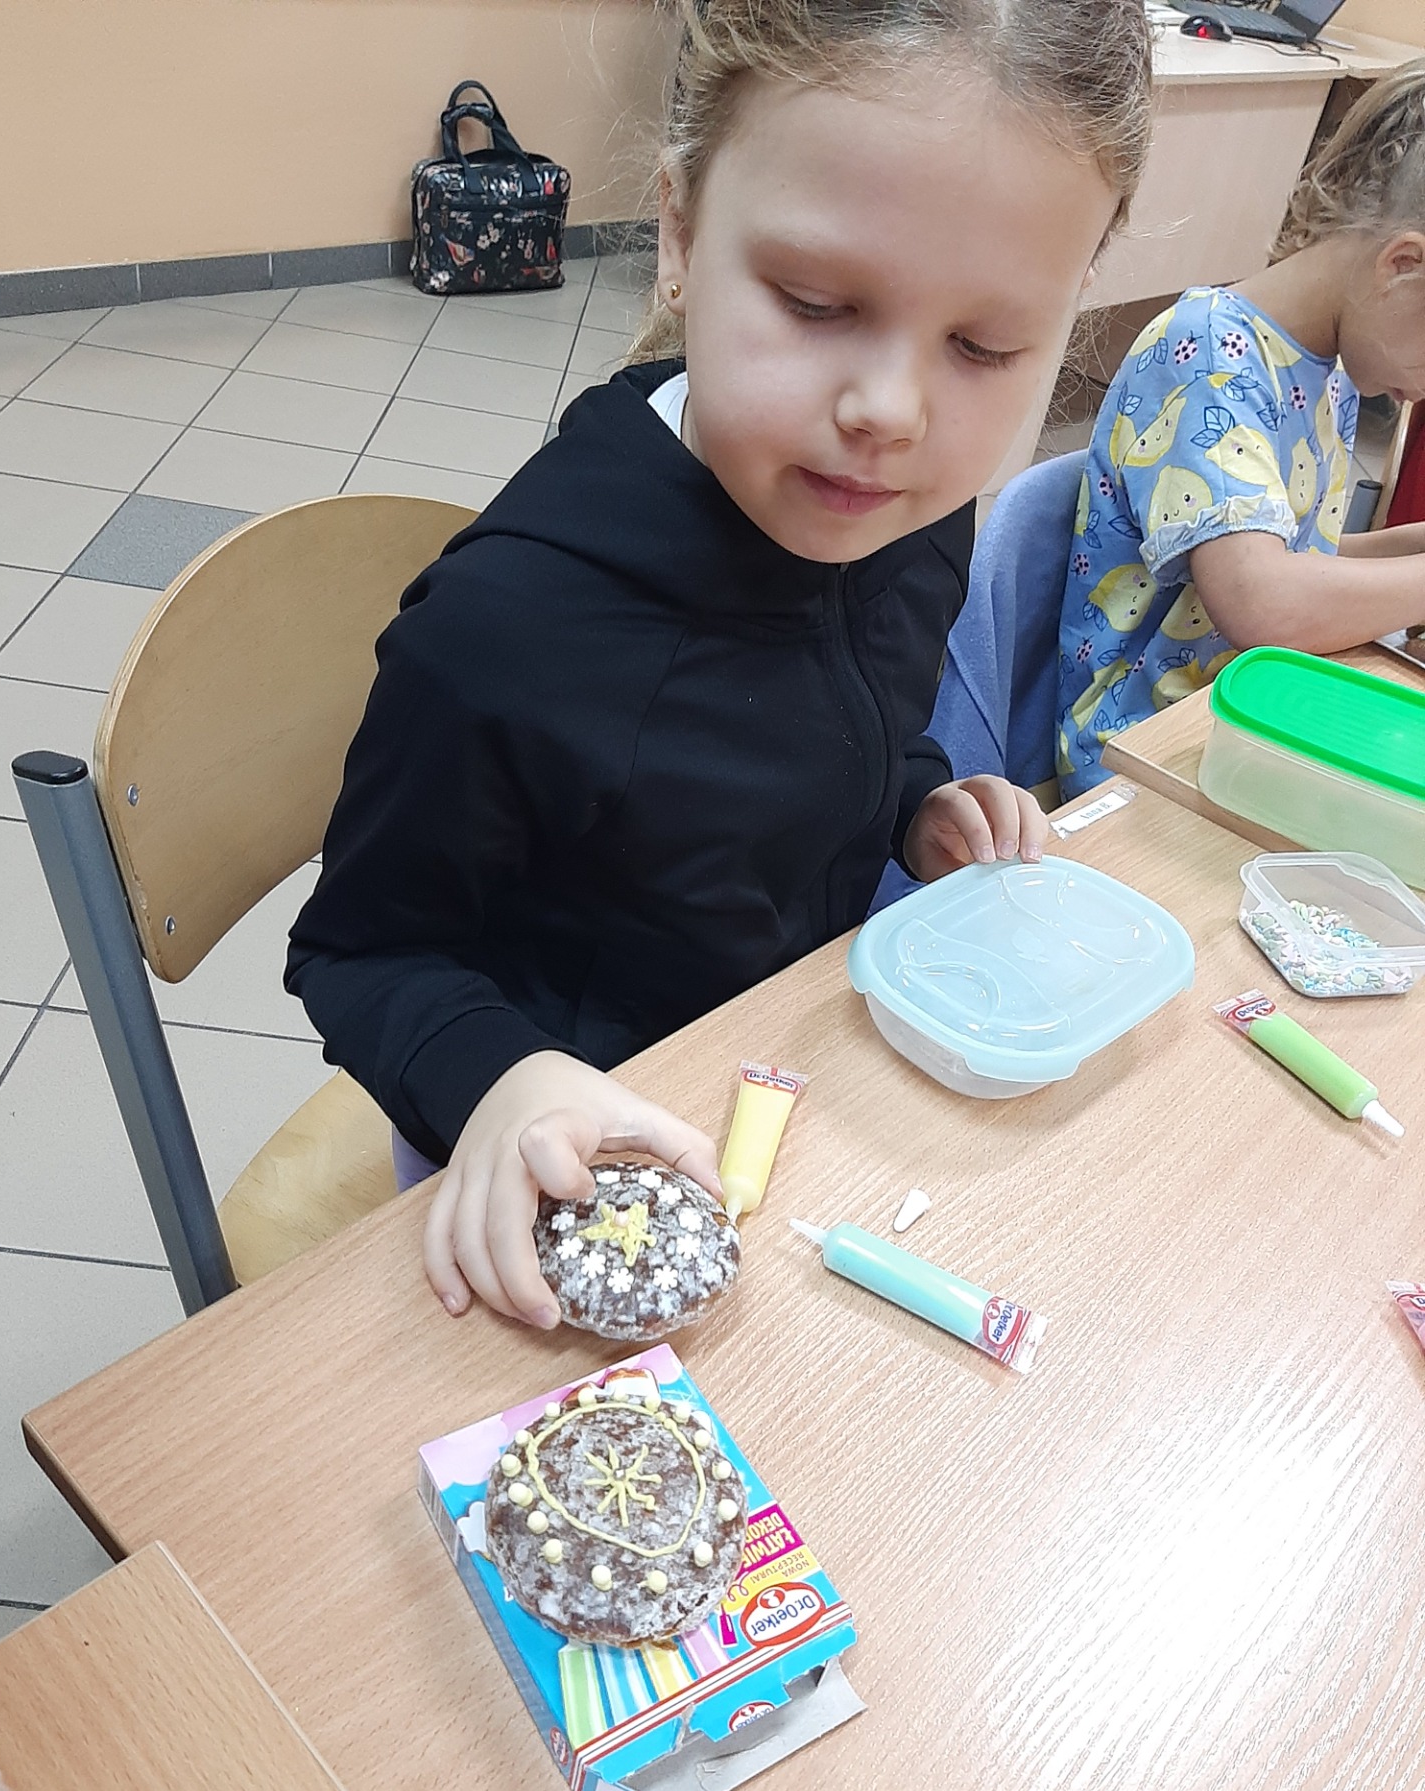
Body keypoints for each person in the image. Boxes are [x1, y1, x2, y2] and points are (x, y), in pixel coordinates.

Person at [286, 0, 1154, 1325]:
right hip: (544, 1138)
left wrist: (915, 797)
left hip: (779, 1066)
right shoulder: (508, 633)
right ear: (682, 234)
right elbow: (366, 954)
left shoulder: (907, 510)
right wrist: (500, 1083)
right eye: (816, 304)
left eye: (984, 346)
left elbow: (843, 712)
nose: (891, 411)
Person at [1057, 60, 1425, 797]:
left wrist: (1410, 548)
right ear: (1404, 265)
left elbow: (1290, 553)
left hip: (1248, 720)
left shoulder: (1330, 370)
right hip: (1142, 750)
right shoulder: (1208, 361)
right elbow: (1263, 599)